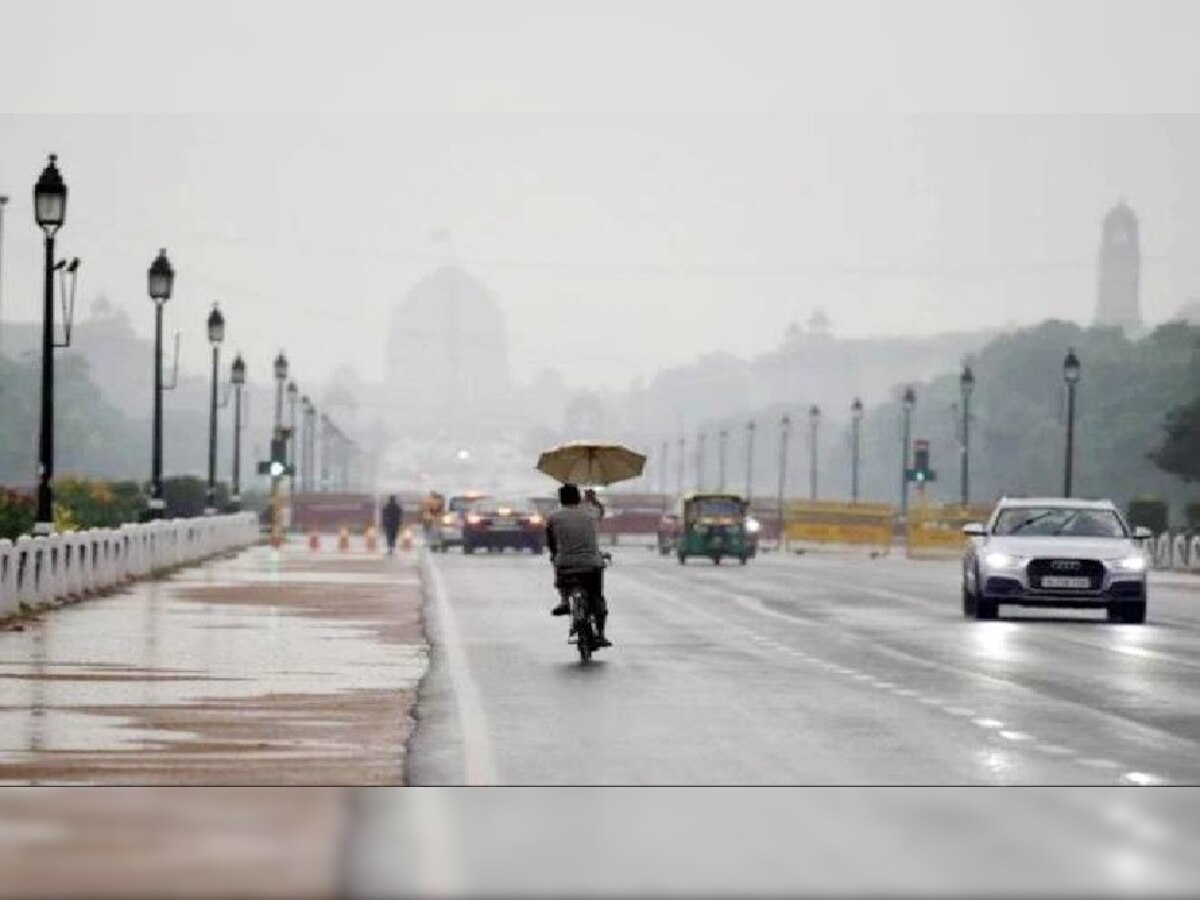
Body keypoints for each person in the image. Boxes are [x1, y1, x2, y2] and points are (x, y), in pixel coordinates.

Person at [547, 483, 610, 647]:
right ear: (578, 498)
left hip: (566, 564)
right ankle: (601, 634)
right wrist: (593, 499)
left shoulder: (554, 517)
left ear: (561, 500)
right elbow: (601, 511)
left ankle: (564, 601)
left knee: (559, 568)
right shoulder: (590, 513)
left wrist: (555, 555)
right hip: (592, 564)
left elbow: (551, 542)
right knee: (597, 597)